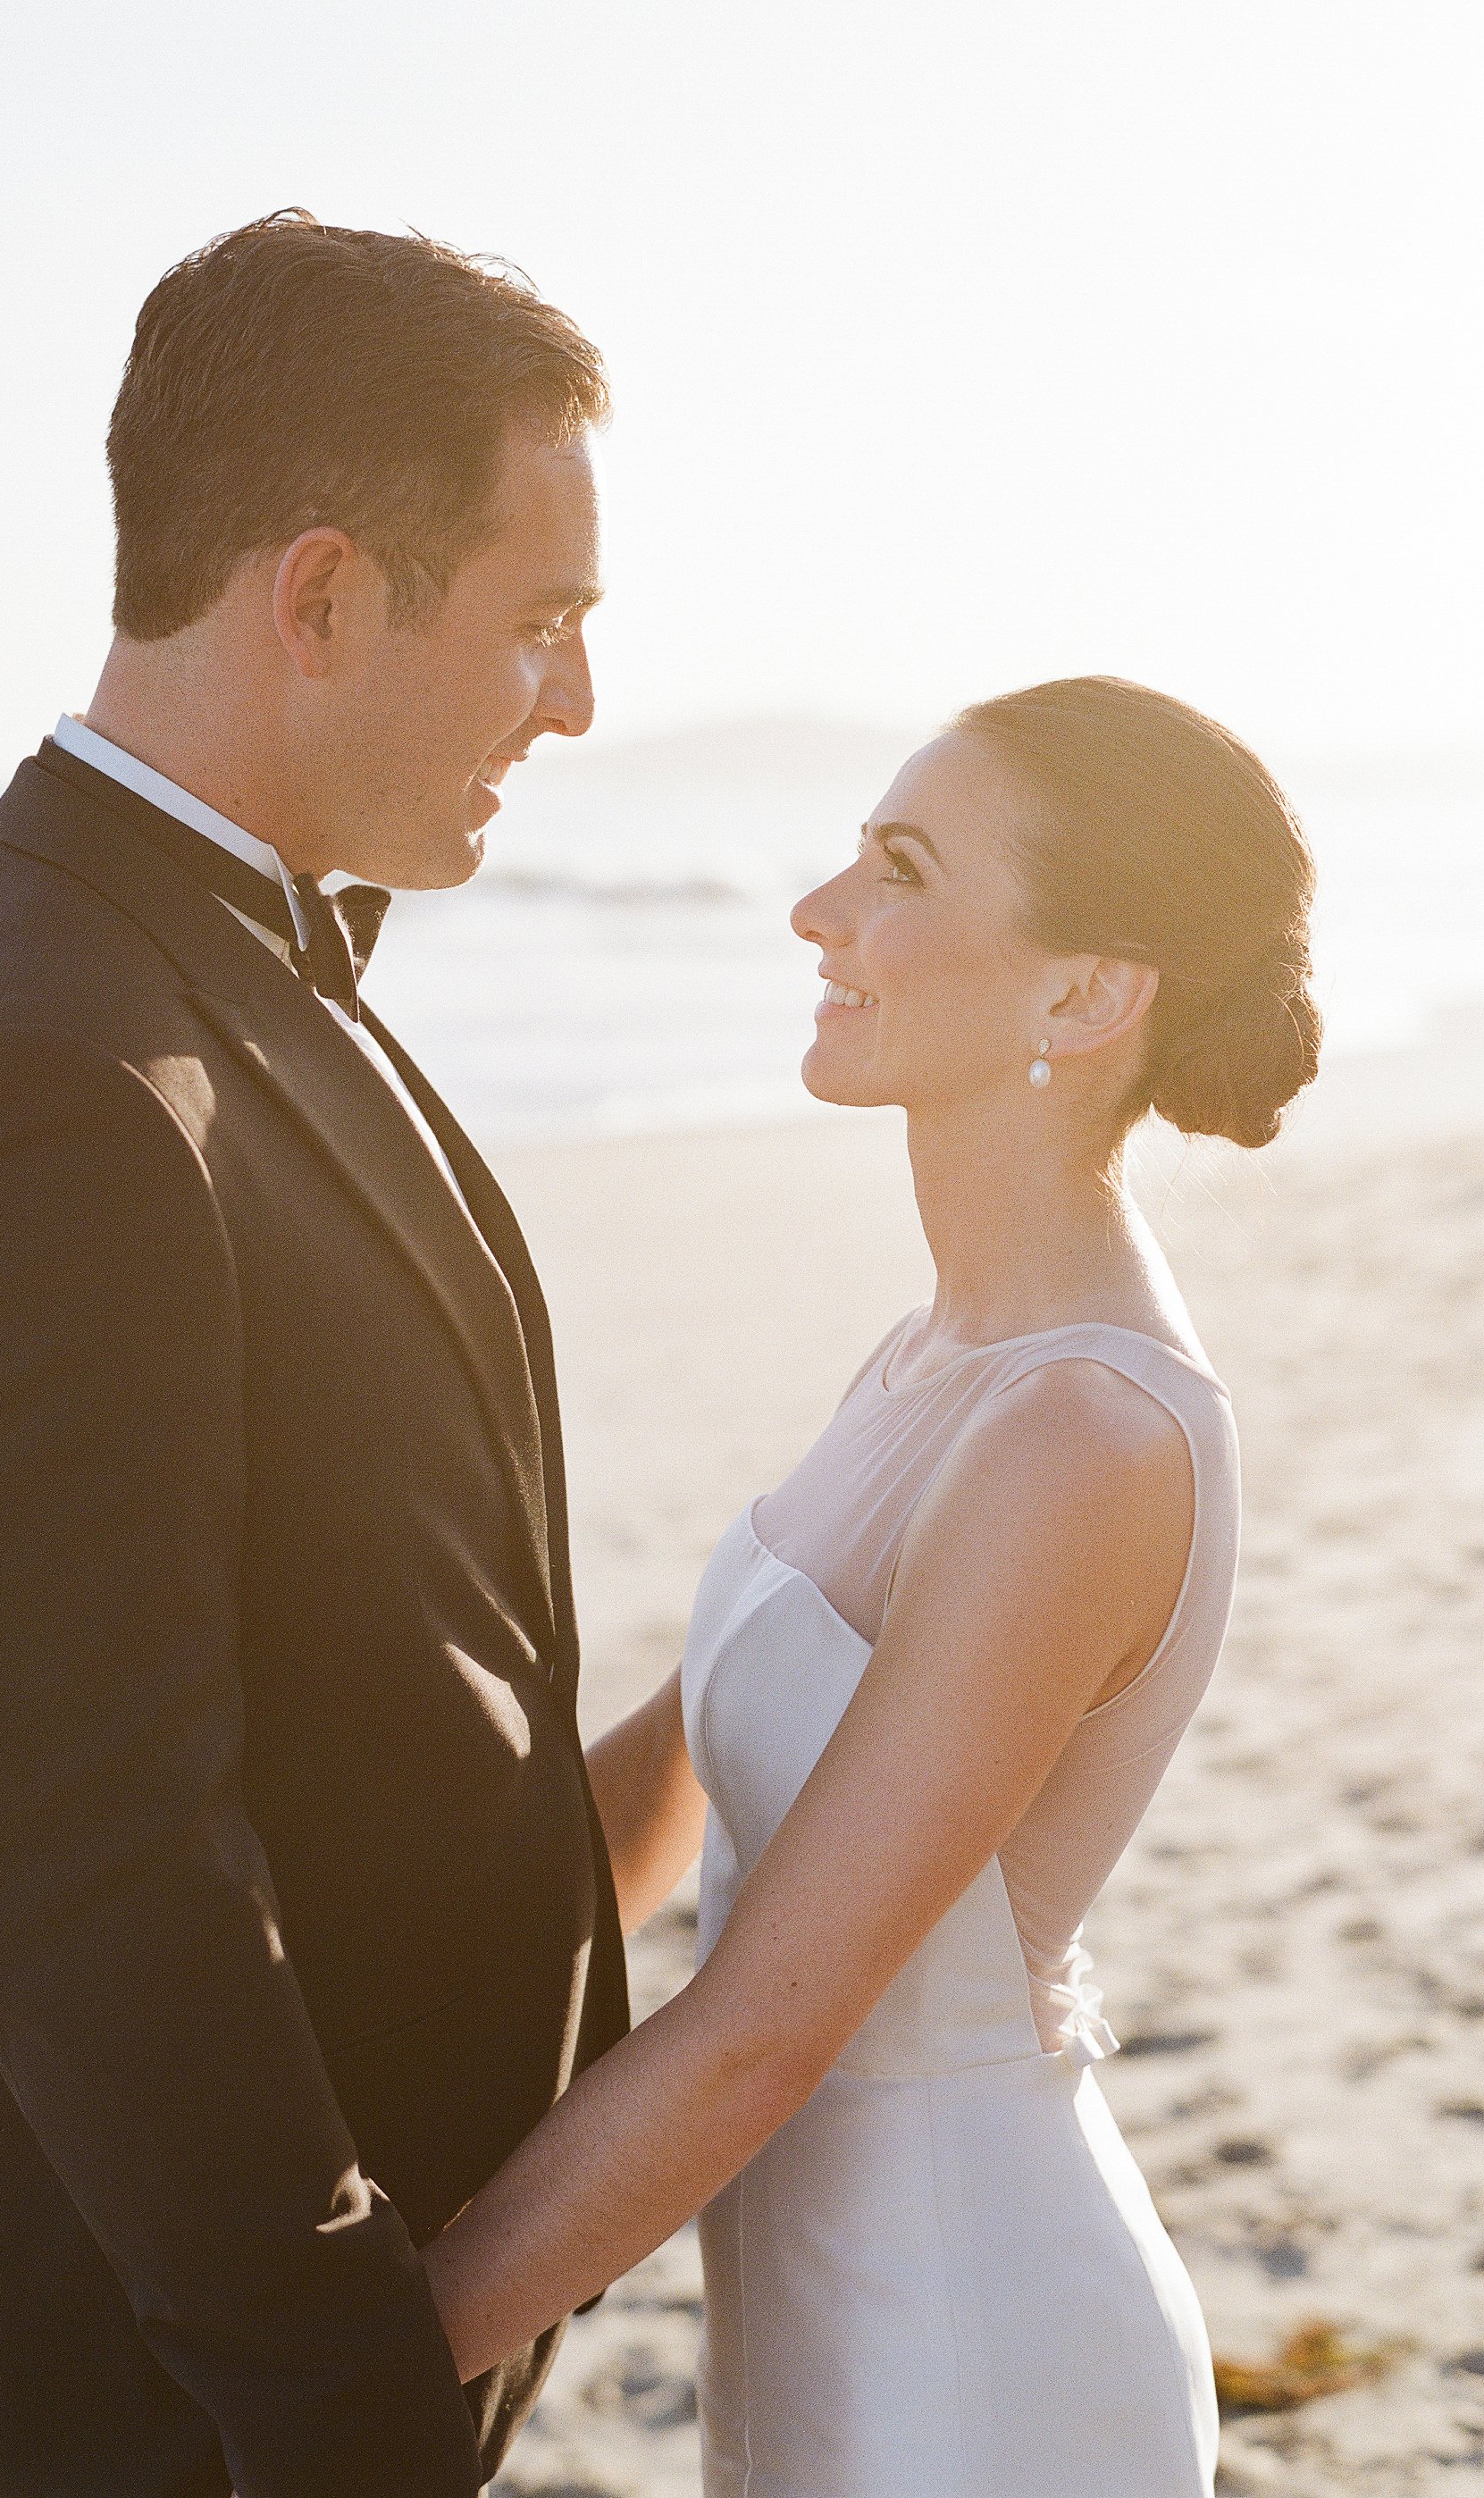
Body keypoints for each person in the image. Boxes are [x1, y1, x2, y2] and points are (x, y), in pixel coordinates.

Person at [0, 210, 626, 2497]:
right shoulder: (38, 1073)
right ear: (322, 594)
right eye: (539, 625)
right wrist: (341, 2391)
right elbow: (79, 1858)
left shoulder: (202, 973)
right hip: (180, 2418)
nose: (572, 704)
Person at [422, 675, 1321, 2494]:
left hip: (970, 2359)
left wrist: (333, 2379)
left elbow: (761, 2032)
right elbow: (675, 1772)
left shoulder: (1080, 1437)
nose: (818, 914)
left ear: (1086, 993)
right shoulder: (935, 1358)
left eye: (897, 870)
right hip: (821, 2313)